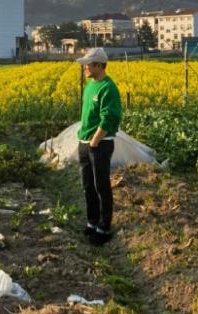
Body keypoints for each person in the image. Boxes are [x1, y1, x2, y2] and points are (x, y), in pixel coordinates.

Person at [76, 48, 122, 246]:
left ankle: (104, 227)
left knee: (101, 186)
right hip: (85, 143)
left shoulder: (108, 88)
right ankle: (92, 221)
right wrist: (85, 141)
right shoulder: (90, 85)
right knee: (88, 185)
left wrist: (95, 140)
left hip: (100, 144)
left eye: (88, 64)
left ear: (98, 65)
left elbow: (110, 117)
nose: (84, 67)